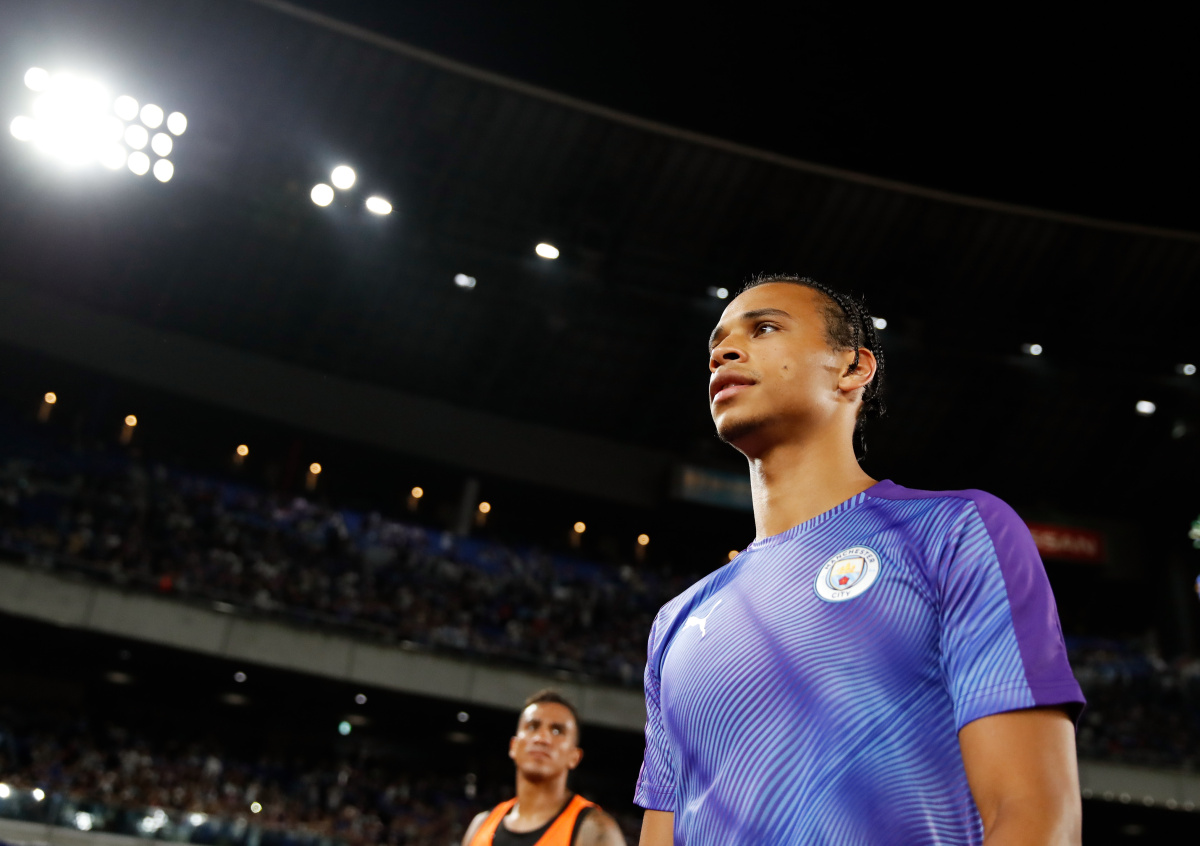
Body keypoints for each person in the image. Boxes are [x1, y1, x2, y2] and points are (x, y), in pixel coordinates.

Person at [636, 276, 1086, 845]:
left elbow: (1035, 817)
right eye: (717, 343)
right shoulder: (675, 623)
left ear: (852, 368)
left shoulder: (954, 532)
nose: (722, 352)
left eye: (764, 328)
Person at [464, 689, 624, 846]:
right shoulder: (480, 825)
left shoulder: (595, 830)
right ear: (513, 746)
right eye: (532, 726)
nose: (542, 738)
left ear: (574, 757)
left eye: (557, 731)